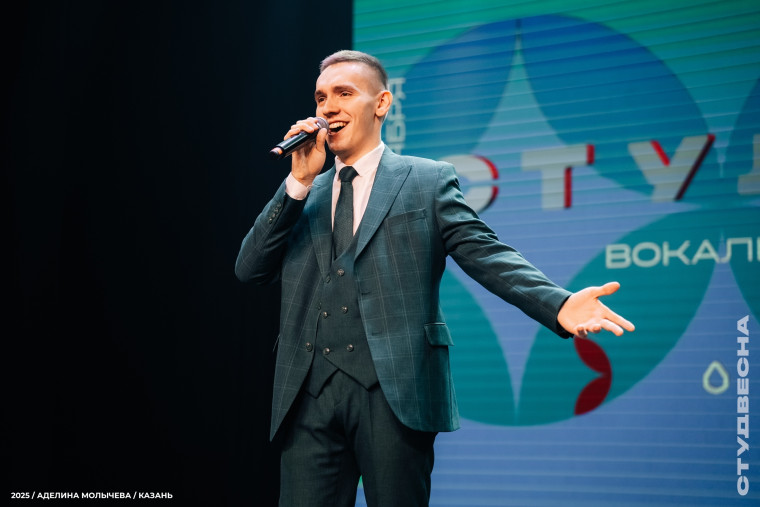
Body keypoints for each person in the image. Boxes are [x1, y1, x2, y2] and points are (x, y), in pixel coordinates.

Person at [235, 49, 635, 507]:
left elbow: (487, 254)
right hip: (308, 394)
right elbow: (250, 268)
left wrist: (558, 303)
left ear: (381, 103)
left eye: (344, 94)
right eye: (321, 97)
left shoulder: (426, 180)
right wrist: (297, 183)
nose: (328, 108)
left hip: (395, 390)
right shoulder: (305, 192)